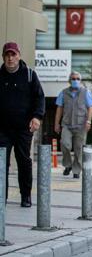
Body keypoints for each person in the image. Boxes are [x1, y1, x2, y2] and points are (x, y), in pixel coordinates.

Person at [0, 42, 45, 207]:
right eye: (7, 55)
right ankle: (1, 197)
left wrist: (37, 117)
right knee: (1, 162)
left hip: (23, 128)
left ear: (19, 55)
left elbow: (39, 98)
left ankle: (26, 196)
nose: (10, 58)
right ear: (3, 57)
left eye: (13, 54)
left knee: (24, 161)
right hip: (2, 129)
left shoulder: (30, 75)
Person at [54, 71, 92, 179]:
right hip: (67, 125)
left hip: (81, 125)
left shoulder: (86, 92)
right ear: (69, 80)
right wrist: (56, 124)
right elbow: (59, 109)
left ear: (80, 81)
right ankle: (68, 165)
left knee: (79, 149)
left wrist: (89, 121)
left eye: (77, 79)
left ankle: (76, 170)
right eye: (73, 78)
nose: (75, 80)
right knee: (65, 144)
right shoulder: (63, 93)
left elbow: (90, 108)